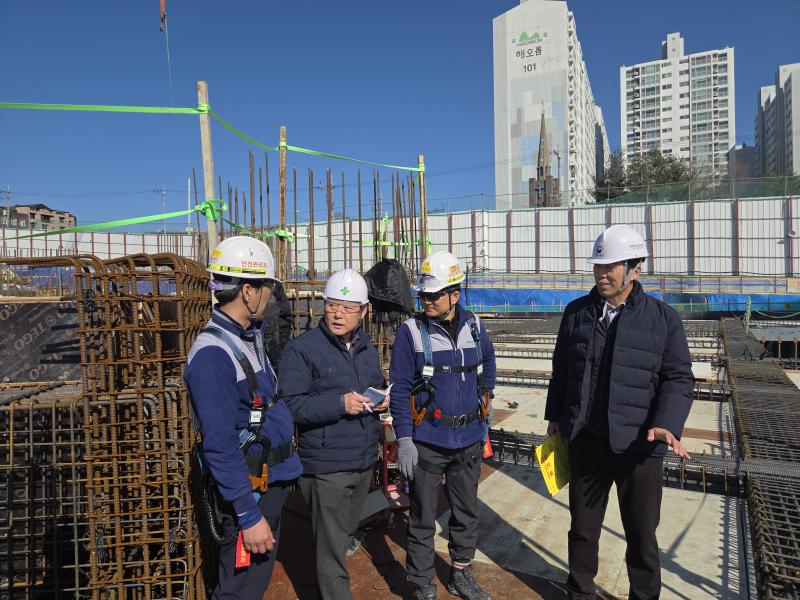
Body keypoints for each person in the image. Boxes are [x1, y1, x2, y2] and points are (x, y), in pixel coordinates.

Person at [545, 224, 694, 600]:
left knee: (642, 535)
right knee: (583, 529)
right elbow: (561, 371)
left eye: (612, 266)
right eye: (598, 265)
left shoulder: (663, 320)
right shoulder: (576, 314)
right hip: (586, 443)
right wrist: (555, 420)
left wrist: (666, 423)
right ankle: (580, 592)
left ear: (636, 269)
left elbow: (678, 378)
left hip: (638, 448)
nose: (602, 273)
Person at [184, 235, 302, 599]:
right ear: (248, 291)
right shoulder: (212, 355)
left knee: (254, 583)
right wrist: (249, 516)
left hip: (267, 485)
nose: (271, 296)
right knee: (240, 591)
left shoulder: (248, 337)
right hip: (248, 495)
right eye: (267, 287)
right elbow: (219, 444)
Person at [389, 251, 496, 600]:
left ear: (455, 293)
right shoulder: (411, 333)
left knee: (466, 511)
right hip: (428, 442)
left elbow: (488, 365)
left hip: (467, 439)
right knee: (421, 516)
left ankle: (461, 573)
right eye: (423, 294)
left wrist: (487, 402)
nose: (426, 300)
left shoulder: (475, 327)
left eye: (433, 294)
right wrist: (405, 439)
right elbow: (401, 388)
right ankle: (421, 582)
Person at [277, 268, 387, 600]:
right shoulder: (302, 350)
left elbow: (377, 385)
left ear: (363, 311)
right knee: (331, 549)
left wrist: (381, 401)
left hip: (362, 459)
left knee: (341, 537)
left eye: (348, 307)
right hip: (326, 466)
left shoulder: (367, 348)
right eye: (332, 305)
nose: (338, 313)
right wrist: (340, 404)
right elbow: (290, 405)